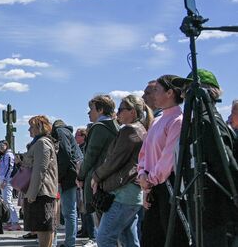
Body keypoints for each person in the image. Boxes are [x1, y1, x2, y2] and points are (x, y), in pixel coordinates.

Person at [173, 70, 238, 247]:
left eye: (187, 90)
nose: (183, 96)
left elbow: (226, 167)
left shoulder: (209, 123)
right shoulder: (195, 123)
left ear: (204, 92)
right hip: (199, 206)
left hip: (214, 210)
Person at [92, 95, 150, 247]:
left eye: (121, 109)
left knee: (104, 238)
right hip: (132, 195)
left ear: (132, 111)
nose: (117, 113)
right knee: (129, 240)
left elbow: (114, 160)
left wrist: (96, 176)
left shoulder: (130, 130)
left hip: (122, 194)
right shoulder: (141, 129)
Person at [137, 74, 187, 247]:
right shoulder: (157, 120)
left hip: (169, 186)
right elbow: (144, 153)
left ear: (170, 93)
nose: (154, 94)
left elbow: (168, 159)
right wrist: (142, 173)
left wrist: (149, 180)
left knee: (172, 237)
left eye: (157, 90)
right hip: (153, 186)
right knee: (150, 238)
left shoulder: (178, 121)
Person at [77, 94, 119, 246]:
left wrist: (81, 176)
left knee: (103, 228)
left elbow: (91, 156)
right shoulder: (114, 125)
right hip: (110, 179)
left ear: (100, 110)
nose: (89, 113)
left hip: (98, 181)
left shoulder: (99, 127)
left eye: (91, 109)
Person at [23, 116, 59, 247]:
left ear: (40, 127)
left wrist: (31, 194)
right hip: (42, 191)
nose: (29, 130)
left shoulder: (41, 143)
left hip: (41, 192)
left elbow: (40, 170)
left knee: (44, 229)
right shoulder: (42, 142)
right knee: (43, 228)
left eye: (31, 127)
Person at [51, 119, 83, 247]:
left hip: (67, 176)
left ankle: (70, 243)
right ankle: (70, 241)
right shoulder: (67, 132)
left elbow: (64, 154)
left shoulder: (60, 131)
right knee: (70, 211)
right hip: (71, 174)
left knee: (69, 212)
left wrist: (58, 176)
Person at [0, 140, 20, 231]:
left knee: (7, 200)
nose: (0, 148)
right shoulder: (4, 155)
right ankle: (10, 221)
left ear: (7, 145)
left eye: (2, 146)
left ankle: (15, 222)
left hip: (7, 181)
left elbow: (10, 168)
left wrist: (5, 180)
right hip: (3, 180)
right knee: (6, 201)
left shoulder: (8, 155)